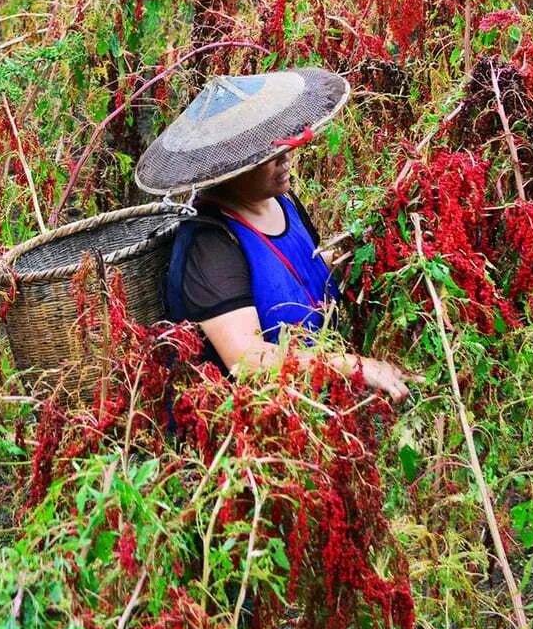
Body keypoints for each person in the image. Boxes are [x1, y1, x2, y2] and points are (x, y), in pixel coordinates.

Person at [136, 68, 410, 402]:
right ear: (230, 166)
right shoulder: (210, 245)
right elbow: (247, 360)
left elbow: (290, 274)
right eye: (268, 154)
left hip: (316, 402)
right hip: (254, 430)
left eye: (281, 145)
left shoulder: (281, 201)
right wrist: (354, 365)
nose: (284, 157)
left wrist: (354, 256)